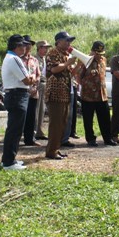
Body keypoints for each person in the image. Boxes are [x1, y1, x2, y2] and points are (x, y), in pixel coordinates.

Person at [1, 35, 36, 170]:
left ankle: (8, 159)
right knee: (15, 130)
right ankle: (9, 162)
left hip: (15, 95)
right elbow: (27, 80)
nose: (25, 47)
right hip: (17, 95)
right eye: (22, 45)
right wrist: (32, 77)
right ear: (16, 46)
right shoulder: (14, 59)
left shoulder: (10, 58)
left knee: (13, 129)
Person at [45, 31, 78, 160]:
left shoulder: (65, 55)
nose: (69, 43)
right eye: (66, 40)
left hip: (64, 93)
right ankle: (51, 151)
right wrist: (68, 63)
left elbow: (71, 73)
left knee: (62, 123)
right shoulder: (53, 52)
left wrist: (80, 64)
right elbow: (53, 69)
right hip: (55, 93)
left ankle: (55, 149)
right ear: (58, 41)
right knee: (56, 124)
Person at [76, 41, 115, 146]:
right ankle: (91, 139)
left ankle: (108, 138)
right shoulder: (86, 61)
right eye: (97, 53)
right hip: (88, 96)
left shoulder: (104, 60)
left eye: (101, 53)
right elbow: (78, 76)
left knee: (105, 118)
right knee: (88, 120)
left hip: (102, 95)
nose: (99, 56)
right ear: (92, 51)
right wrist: (86, 85)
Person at [20, 35, 41, 146]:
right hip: (22, 92)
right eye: (26, 44)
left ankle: (29, 139)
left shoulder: (34, 60)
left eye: (30, 44)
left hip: (33, 92)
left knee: (31, 116)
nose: (28, 46)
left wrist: (35, 87)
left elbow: (38, 75)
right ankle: (17, 137)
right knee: (20, 116)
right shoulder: (18, 59)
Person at [34, 40, 52, 140]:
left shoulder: (45, 59)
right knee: (36, 109)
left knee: (42, 109)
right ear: (39, 48)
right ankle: (35, 131)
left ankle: (39, 131)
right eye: (44, 48)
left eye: (47, 48)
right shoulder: (35, 59)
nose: (46, 50)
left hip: (45, 84)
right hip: (38, 84)